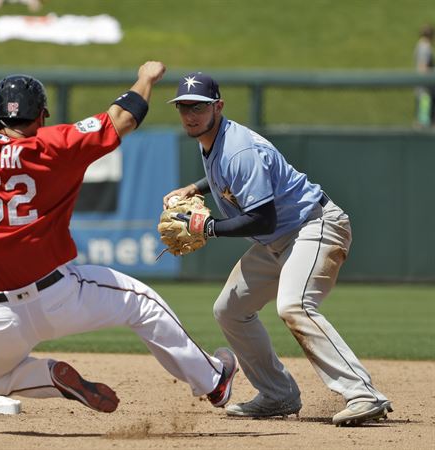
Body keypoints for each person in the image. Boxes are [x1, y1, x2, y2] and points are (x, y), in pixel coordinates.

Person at [0, 15, 239, 413]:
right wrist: (146, 77)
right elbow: (122, 118)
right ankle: (213, 381)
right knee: (143, 303)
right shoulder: (55, 145)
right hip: (60, 296)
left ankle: (50, 375)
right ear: (41, 116)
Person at [162, 72, 392, 426]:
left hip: (314, 227)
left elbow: (262, 219)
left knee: (294, 305)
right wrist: (194, 189)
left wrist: (208, 228)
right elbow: (225, 178)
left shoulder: (240, 149)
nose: (190, 114)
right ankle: (277, 394)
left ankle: (363, 393)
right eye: (183, 107)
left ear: (217, 107)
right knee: (229, 309)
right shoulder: (212, 138)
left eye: (199, 106)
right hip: (279, 239)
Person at [414, 24, 434, 128]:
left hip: (422, 89)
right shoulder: (425, 47)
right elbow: (423, 68)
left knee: (423, 118)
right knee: (423, 120)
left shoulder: (420, 45)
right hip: (425, 90)